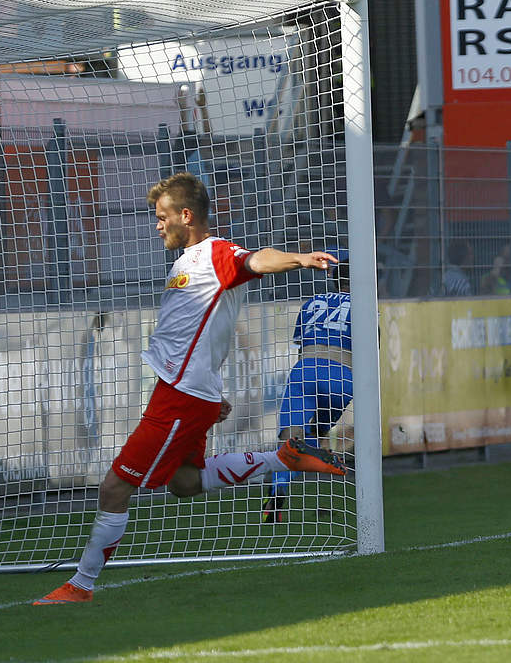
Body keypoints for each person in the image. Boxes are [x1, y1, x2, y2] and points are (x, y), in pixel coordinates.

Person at [35, 173, 348, 605]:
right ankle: (282, 458)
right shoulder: (185, 263)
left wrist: (299, 259)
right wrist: (207, 393)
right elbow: (196, 334)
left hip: (181, 397)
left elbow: (255, 260)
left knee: (113, 488)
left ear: (187, 215)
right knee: (184, 482)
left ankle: (81, 585)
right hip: (187, 392)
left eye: (162, 216)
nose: (157, 224)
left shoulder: (214, 253)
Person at [264, 250, 354, 524]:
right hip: (341, 377)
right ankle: (321, 448)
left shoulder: (312, 302)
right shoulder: (364, 304)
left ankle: (278, 490)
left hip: (306, 370)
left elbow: (301, 345)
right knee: (317, 431)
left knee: (290, 438)